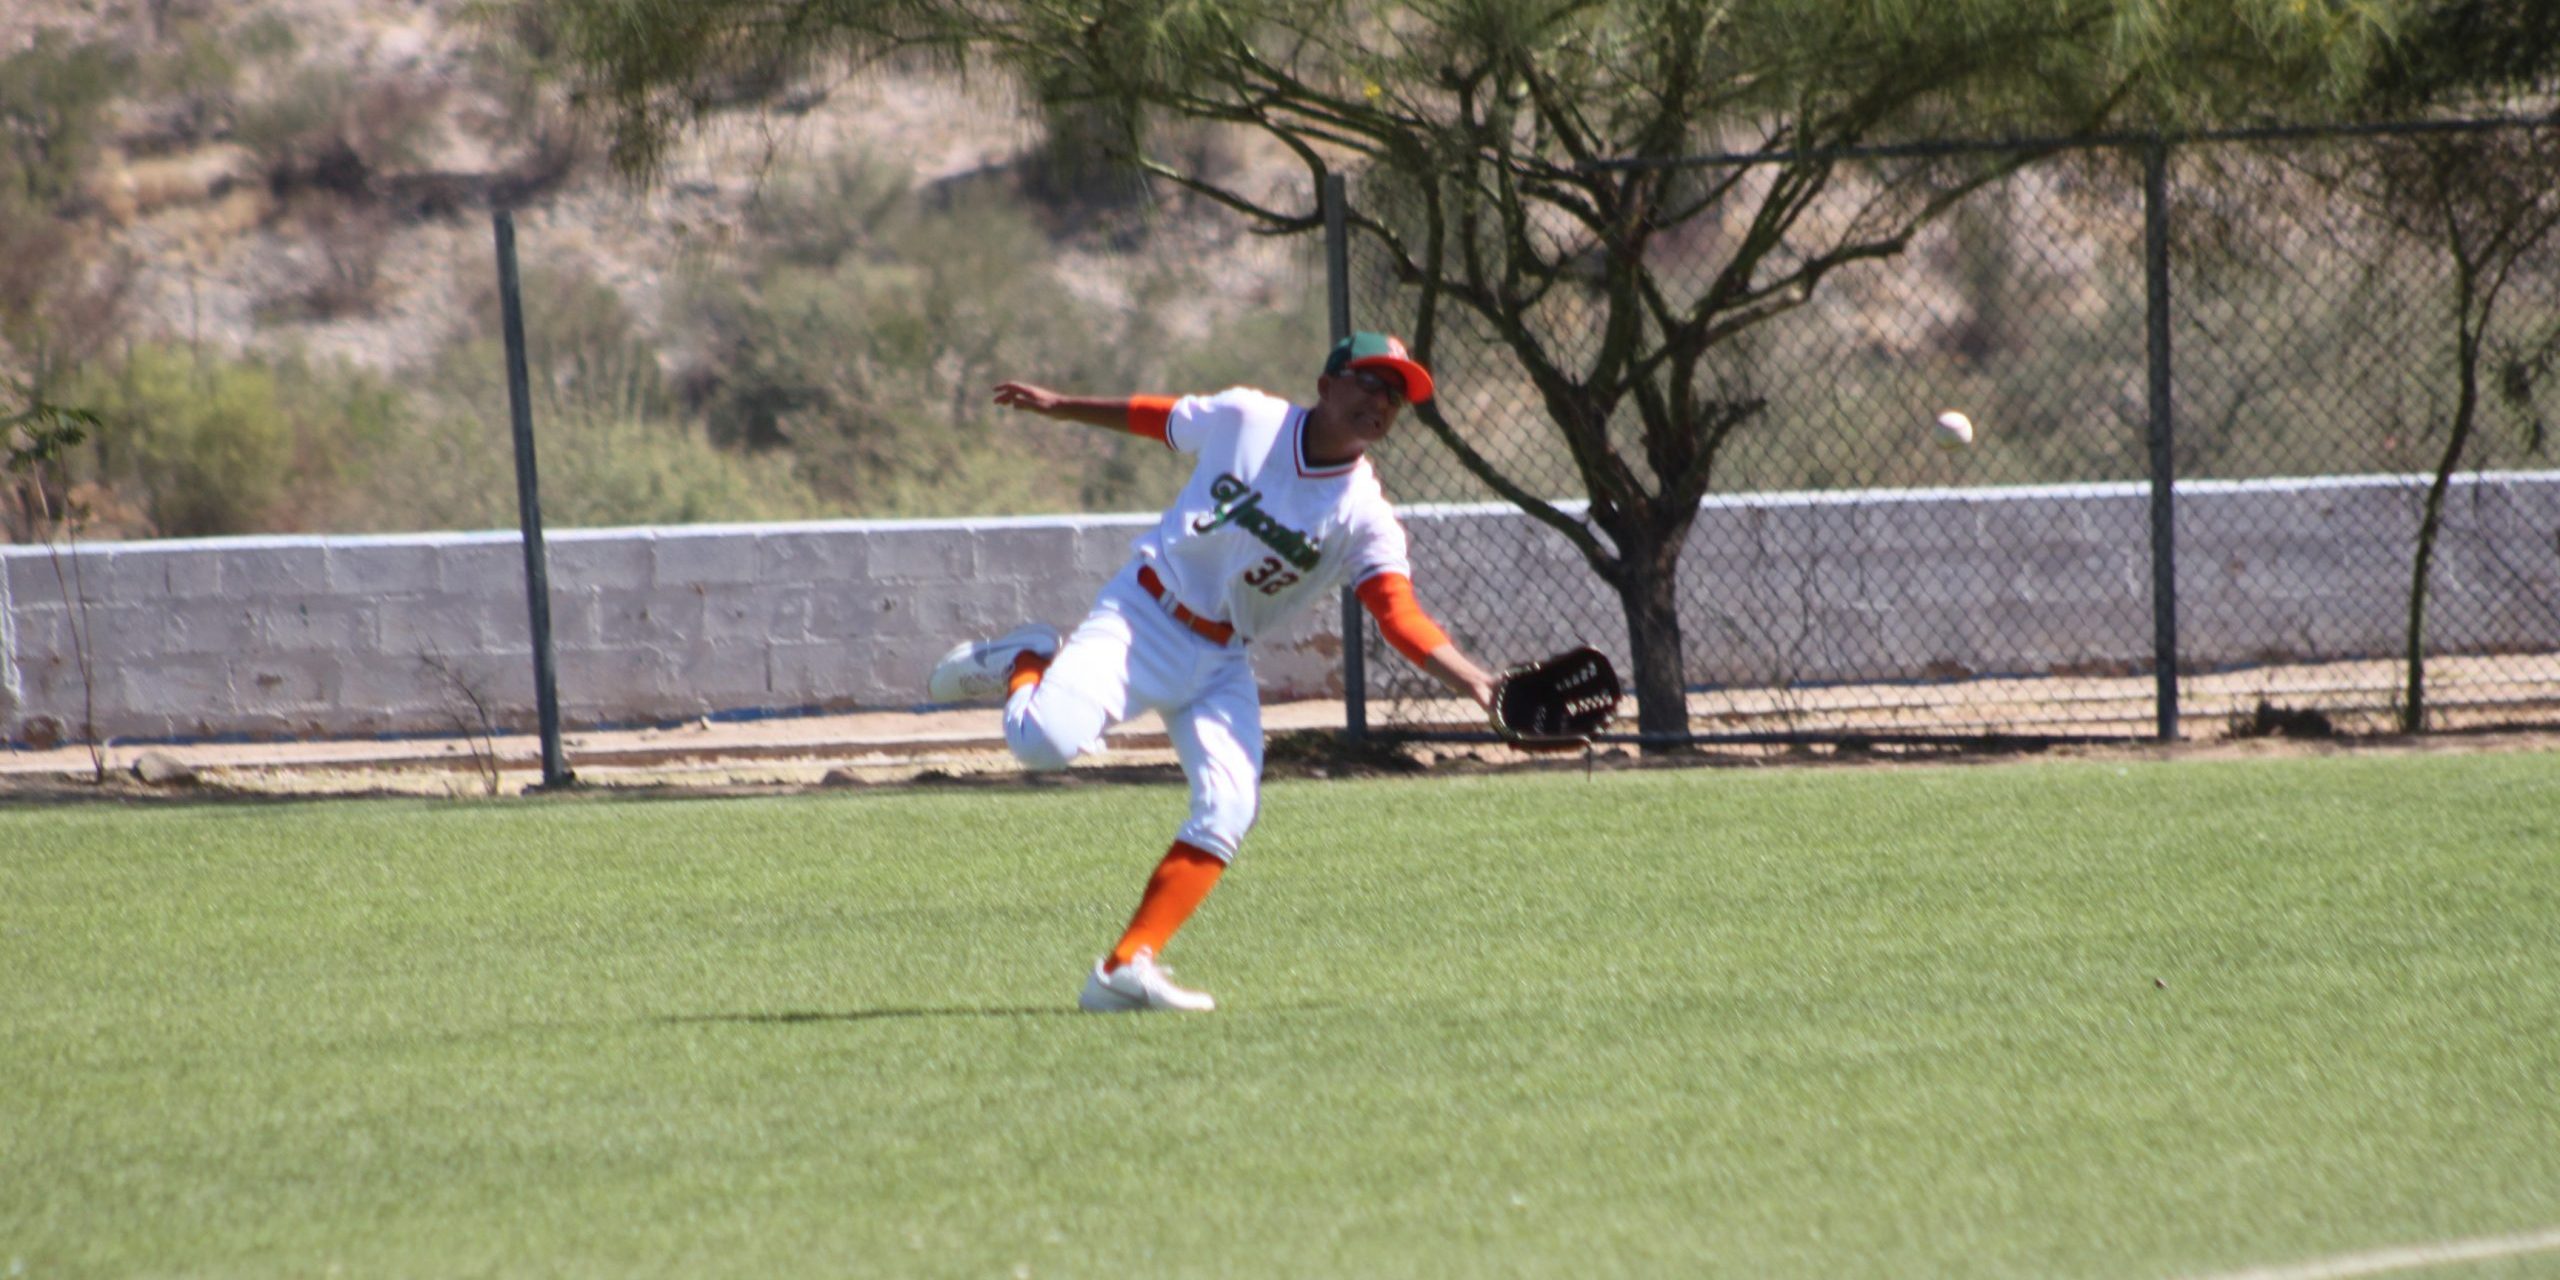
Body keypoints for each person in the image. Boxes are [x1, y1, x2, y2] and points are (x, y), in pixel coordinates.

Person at [927, 332, 1501, 1013]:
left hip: (1222, 659)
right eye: (1369, 381)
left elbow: (1397, 613)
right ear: (1326, 385)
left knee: (1231, 804)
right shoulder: (1250, 420)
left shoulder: (1365, 515)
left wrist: (1473, 680)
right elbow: (1157, 418)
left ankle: (1122, 969)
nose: (1382, 400)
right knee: (1040, 746)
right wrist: (1062, 407)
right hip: (1145, 612)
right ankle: (1028, 658)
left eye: (1397, 393)